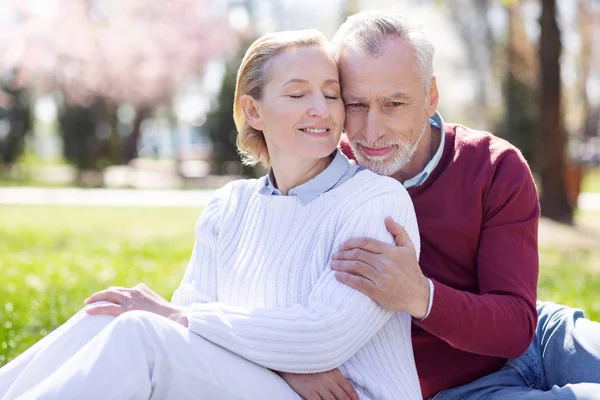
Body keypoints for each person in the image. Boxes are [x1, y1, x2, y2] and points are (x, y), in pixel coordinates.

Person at [0, 30, 423, 400]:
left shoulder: (374, 201)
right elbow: (196, 332)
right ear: (253, 111)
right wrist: (281, 364)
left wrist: (174, 316)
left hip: (349, 395)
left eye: (332, 94)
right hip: (268, 383)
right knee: (111, 316)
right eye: (297, 94)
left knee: (142, 334)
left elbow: (321, 336)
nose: (322, 109)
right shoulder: (230, 205)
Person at [279, 12, 600, 400]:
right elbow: (248, 296)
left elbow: (517, 327)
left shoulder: (495, 166)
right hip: (453, 390)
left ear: (431, 97)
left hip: (539, 339)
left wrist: (419, 295)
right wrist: (288, 365)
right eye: (356, 104)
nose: (371, 130)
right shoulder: (317, 174)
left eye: (394, 103)